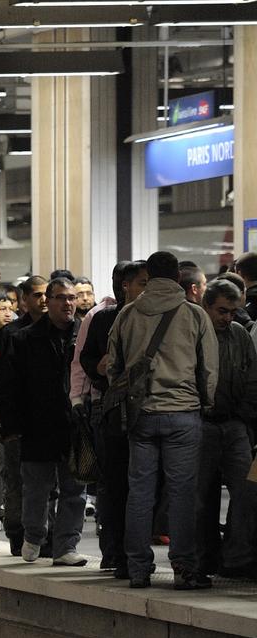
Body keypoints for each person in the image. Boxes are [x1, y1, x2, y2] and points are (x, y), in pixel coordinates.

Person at [107, 251, 218, 590]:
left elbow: (114, 365)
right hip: (183, 413)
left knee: (139, 493)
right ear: (177, 278)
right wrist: (205, 402)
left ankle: (139, 568)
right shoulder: (194, 314)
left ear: (149, 275)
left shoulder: (127, 314)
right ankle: (184, 568)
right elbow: (209, 369)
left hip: (142, 416)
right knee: (182, 493)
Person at [0, 278, 87, 566]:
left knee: (75, 490)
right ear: (48, 301)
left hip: (75, 426)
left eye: (72, 297)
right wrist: (11, 429)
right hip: (37, 426)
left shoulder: (84, 335)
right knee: (37, 489)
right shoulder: (24, 339)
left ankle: (65, 546)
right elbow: (10, 387)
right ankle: (34, 536)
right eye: (61, 297)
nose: (68, 303)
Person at [80, 261, 149, 573]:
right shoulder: (103, 318)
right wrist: (100, 368)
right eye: (142, 283)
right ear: (126, 286)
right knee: (113, 483)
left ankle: (134, 552)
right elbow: (86, 358)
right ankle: (114, 552)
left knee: (144, 484)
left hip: (148, 409)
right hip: (111, 410)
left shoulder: (161, 317)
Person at [196, 280, 257, 577]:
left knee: (247, 491)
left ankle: (236, 557)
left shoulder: (239, 335)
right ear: (207, 306)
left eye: (233, 311)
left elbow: (252, 378)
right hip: (202, 424)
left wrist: (244, 417)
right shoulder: (195, 333)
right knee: (199, 496)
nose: (227, 317)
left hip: (234, 425)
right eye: (222, 311)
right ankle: (202, 557)